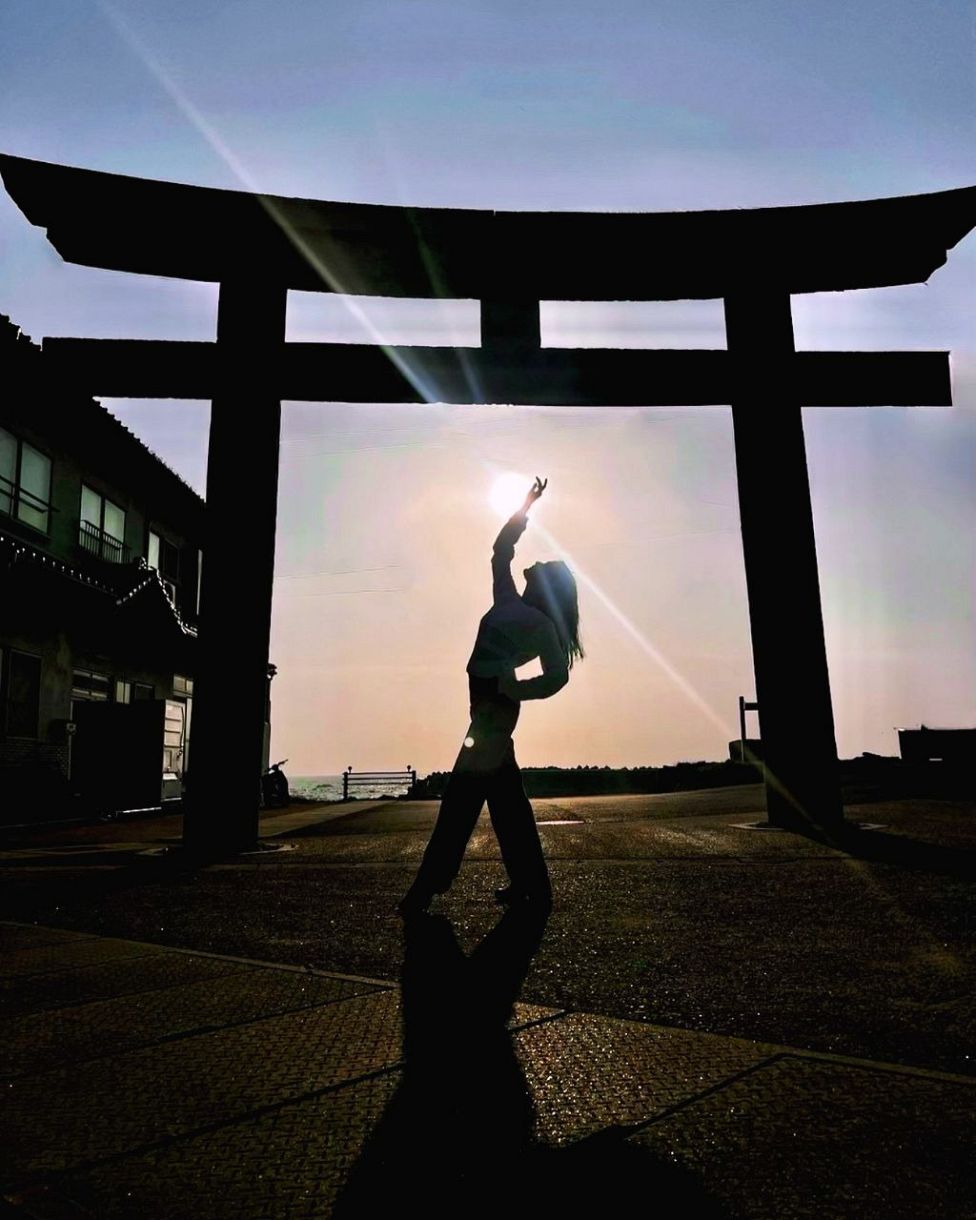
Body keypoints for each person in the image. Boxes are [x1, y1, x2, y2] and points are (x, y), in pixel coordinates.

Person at [397, 476, 583, 917]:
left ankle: (426, 887)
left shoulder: (541, 627)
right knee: (506, 802)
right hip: (483, 703)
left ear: (547, 588)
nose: (531, 567)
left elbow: (557, 677)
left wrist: (514, 688)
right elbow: (501, 550)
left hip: (495, 710)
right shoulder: (508, 599)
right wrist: (525, 505)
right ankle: (531, 885)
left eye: (539, 569)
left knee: (461, 799)